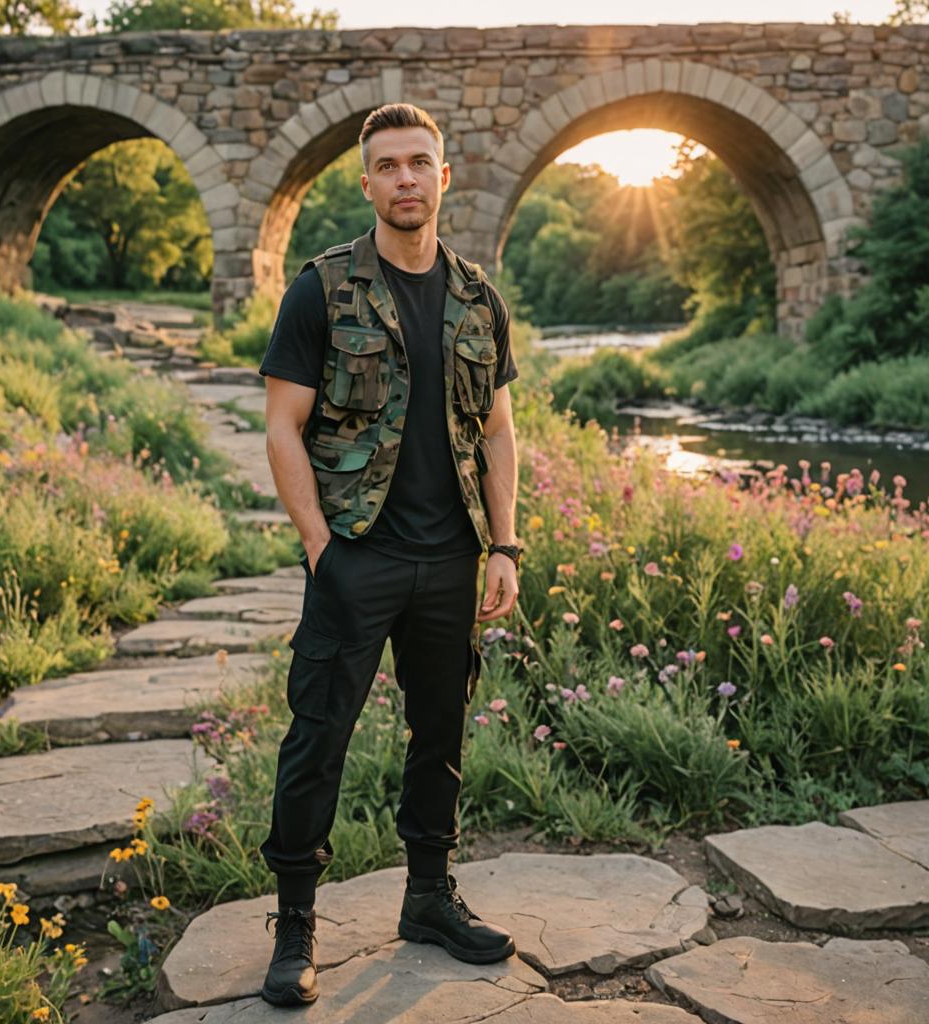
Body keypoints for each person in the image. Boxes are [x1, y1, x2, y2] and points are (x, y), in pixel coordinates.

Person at [256, 102, 523, 1008]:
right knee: (317, 739)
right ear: (366, 182)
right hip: (357, 557)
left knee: (439, 740)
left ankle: (429, 899)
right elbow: (283, 429)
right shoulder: (322, 288)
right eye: (388, 166)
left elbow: (498, 431)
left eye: (420, 163)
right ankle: (295, 924)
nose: (406, 179)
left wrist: (506, 546)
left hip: (452, 559)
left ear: (444, 178)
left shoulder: (479, 297)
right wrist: (322, 550)